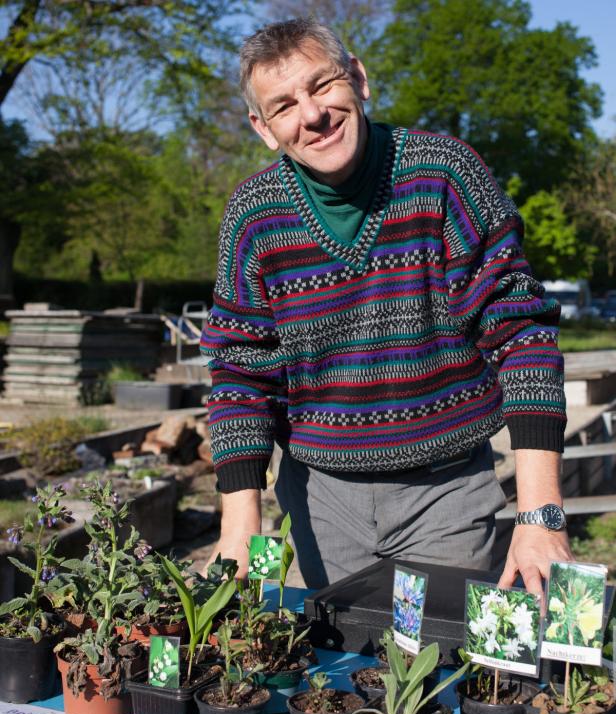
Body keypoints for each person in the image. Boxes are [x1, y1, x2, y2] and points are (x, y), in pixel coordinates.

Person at [200, 17, 573, 597]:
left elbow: (522, 335)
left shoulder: (442, 175)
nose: (313, 115)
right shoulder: (253, 217)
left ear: (359, 79)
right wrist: (239, 523)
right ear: (264, 129)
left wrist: (539, 514)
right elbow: (240, 373)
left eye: (322, 85)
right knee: (332, 678)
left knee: (439, 674)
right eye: (283, 106)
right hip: (321, 503)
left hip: (443, 497)